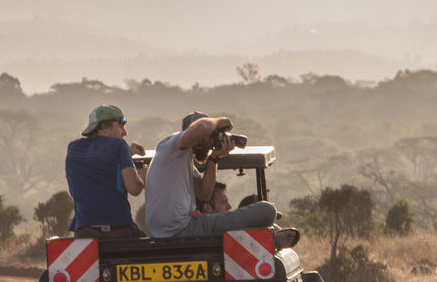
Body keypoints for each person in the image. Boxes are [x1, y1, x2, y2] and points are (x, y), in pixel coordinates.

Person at [144, 112, 299, 246]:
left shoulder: (181, 161)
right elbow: (202, 128)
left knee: (258, 214)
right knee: (267, 210)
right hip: (183, 228)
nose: (210, 144)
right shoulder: (171, 146)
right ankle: (272, 238)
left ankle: (273, 234)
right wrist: (220, 122)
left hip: (173, 230)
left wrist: (215, 158)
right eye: (209, 139)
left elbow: (203, 194)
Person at [65, 104, 147, 237]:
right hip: (118, 228)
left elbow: (99, 162)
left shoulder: (73, 148)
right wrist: (143, 175)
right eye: (120, 127)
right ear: (103, 127)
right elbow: (134, 189)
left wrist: (126, 156)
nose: (124, 133)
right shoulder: (120, 146)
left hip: (84, 231)